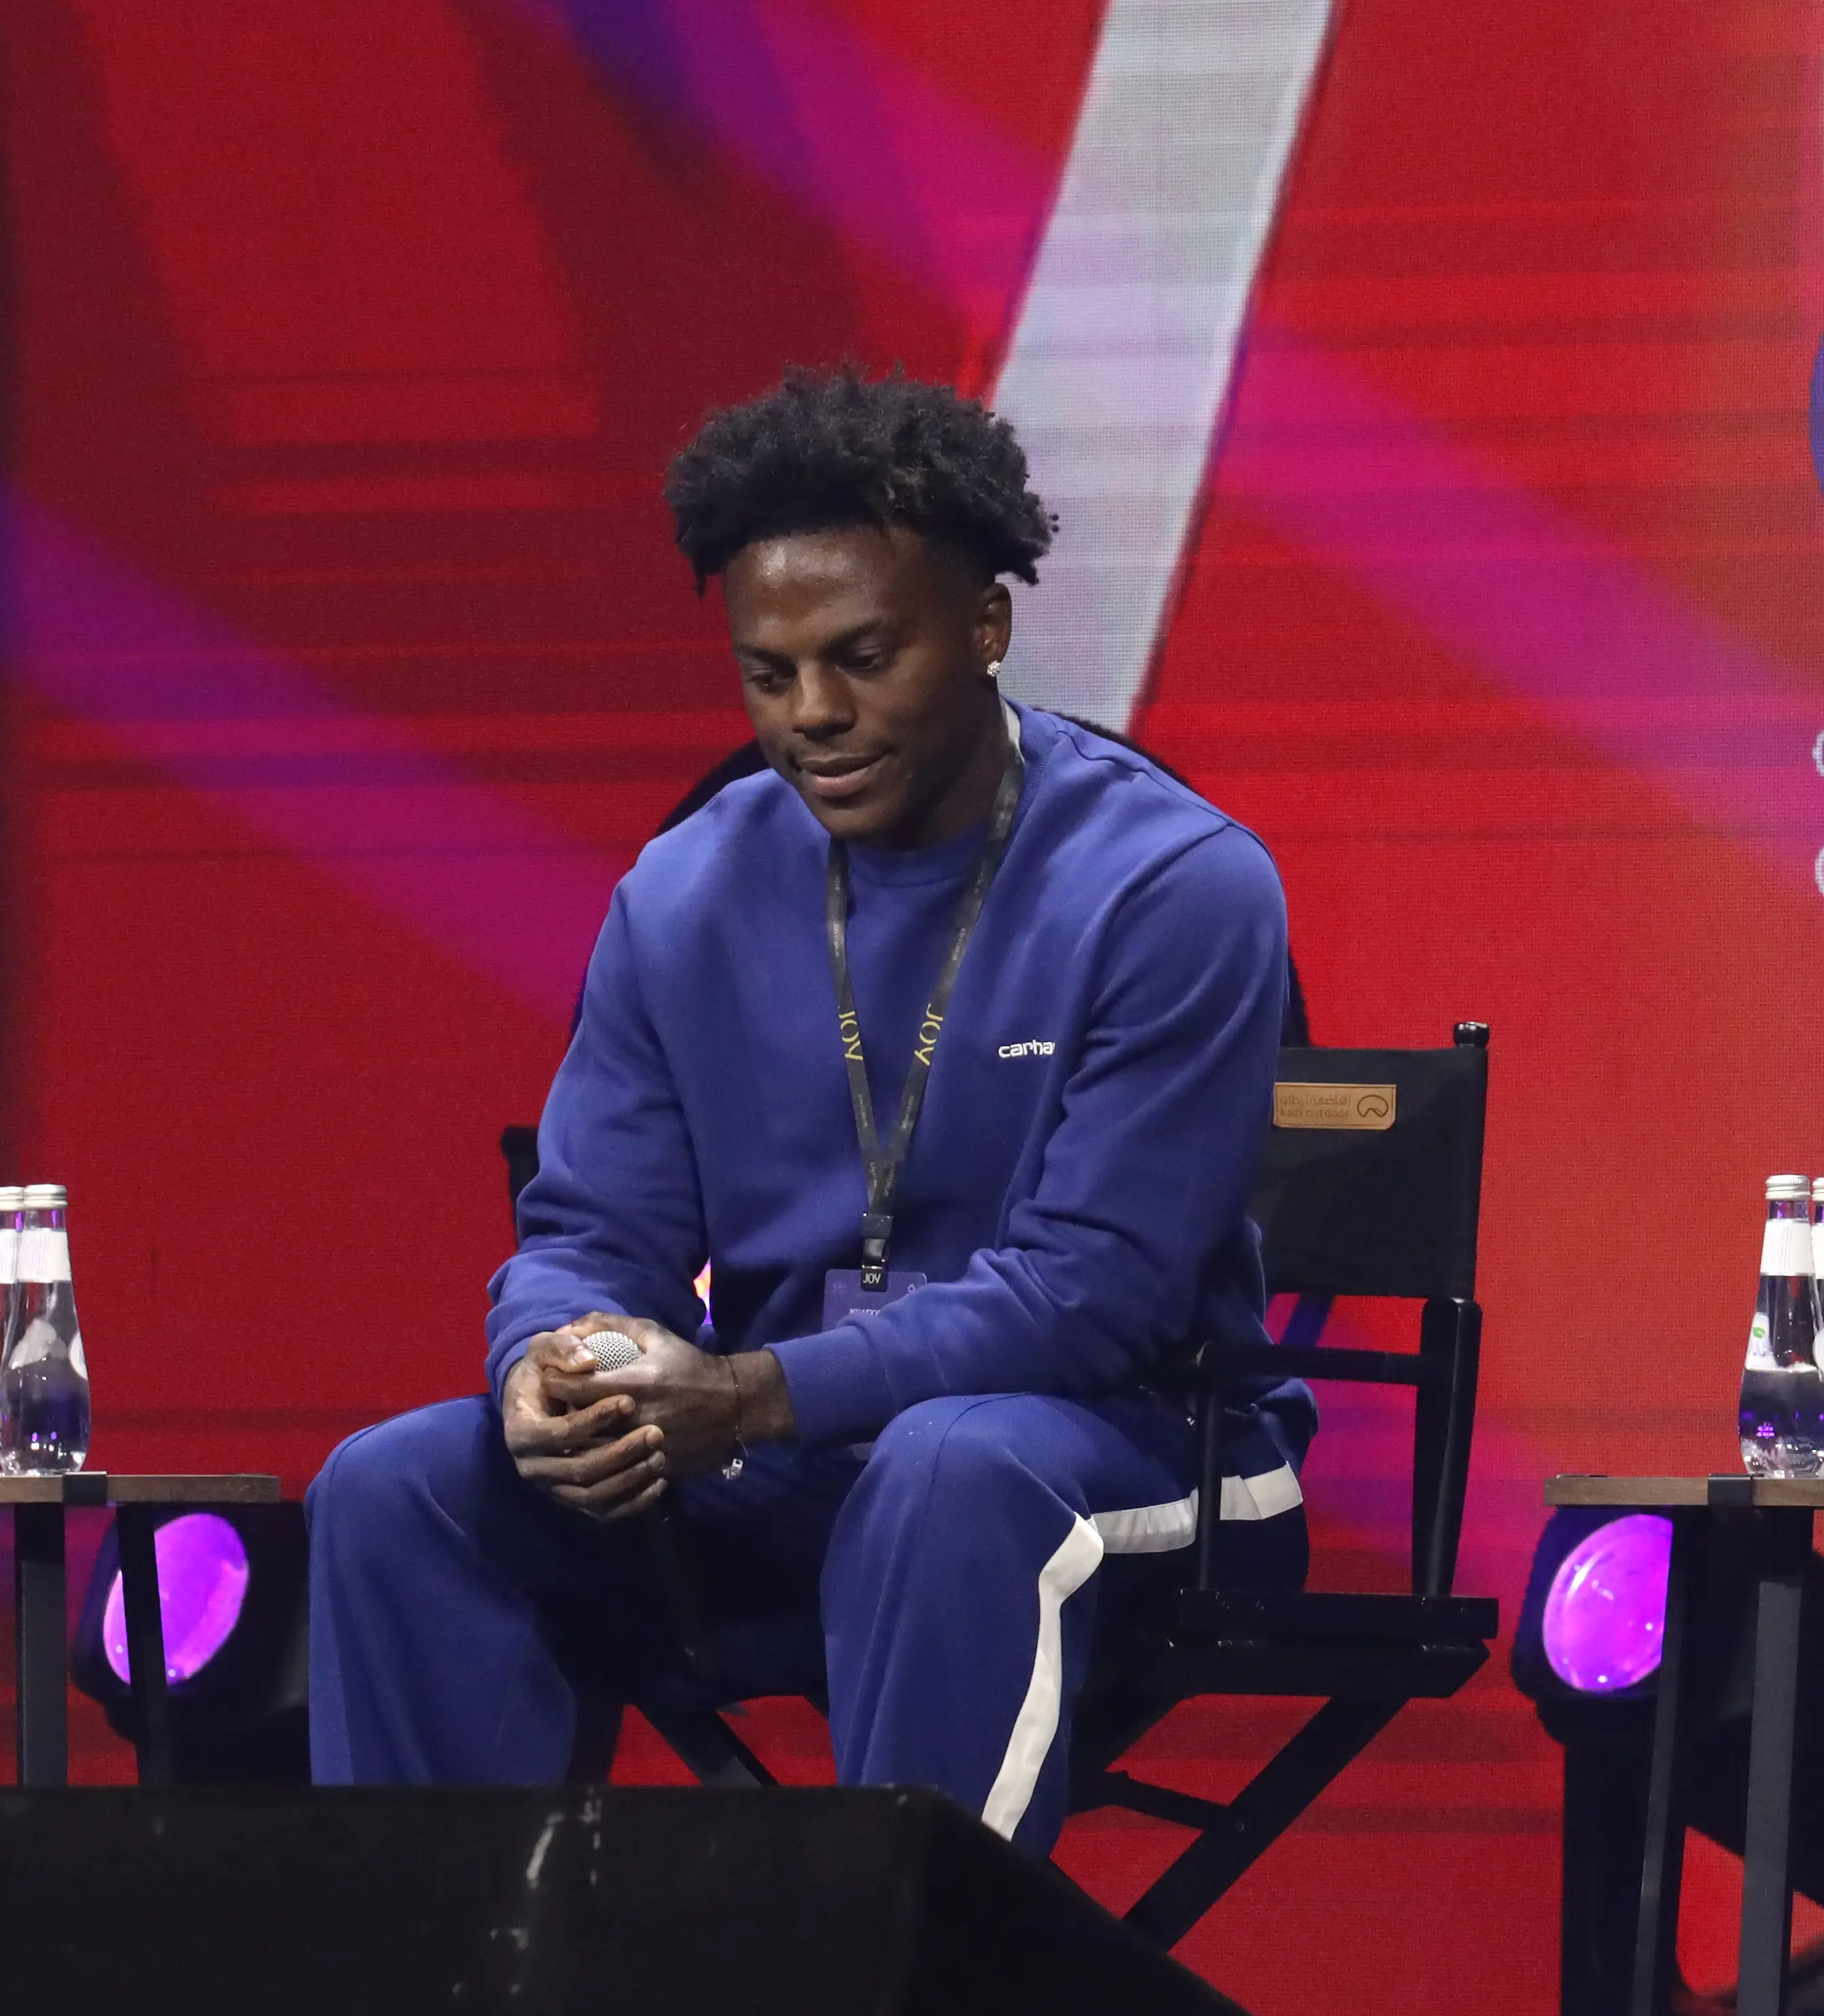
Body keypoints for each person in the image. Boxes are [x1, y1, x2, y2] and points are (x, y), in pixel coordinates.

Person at [307, 364, 1309, 1845]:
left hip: (1146, 1446)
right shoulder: (686, 890)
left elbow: (1094, 1298)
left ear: (985, 629)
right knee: (398, 1489)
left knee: (951, 1467)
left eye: (863, 658)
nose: (814, 717)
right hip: (792, 1457)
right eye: (770, 676)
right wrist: (549, 1365)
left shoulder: (1174, 885)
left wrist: (747, 1396)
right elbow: (591, 1226)